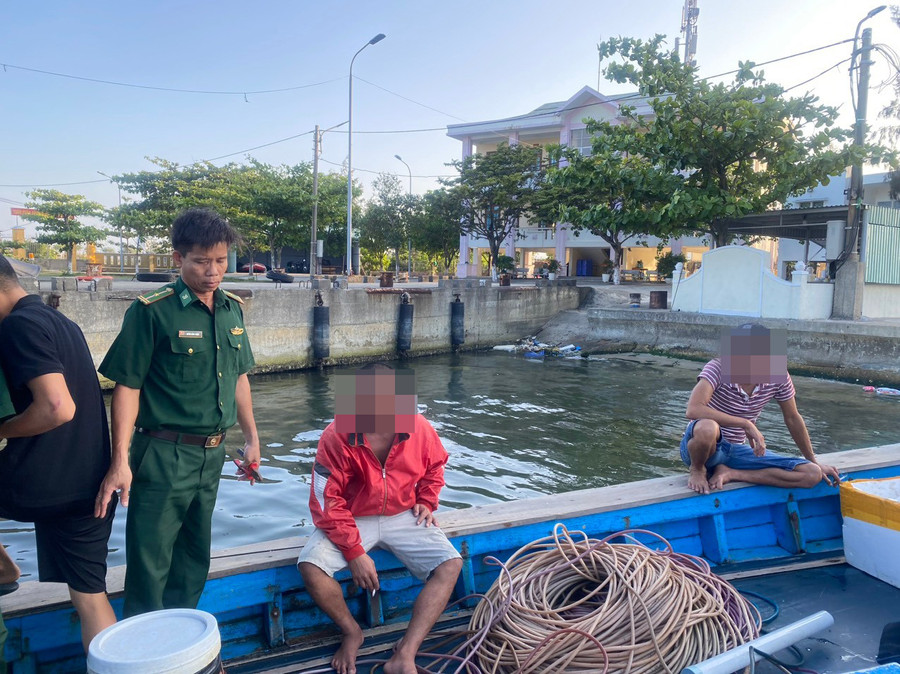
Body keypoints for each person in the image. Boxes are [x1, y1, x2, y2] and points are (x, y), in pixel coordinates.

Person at [96, 208, 260, 617]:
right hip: (163, 454)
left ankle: (181, 644)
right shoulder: (152, 311)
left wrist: (253, 439)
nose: (213, 271)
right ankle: (144, 652)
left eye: (221, 260)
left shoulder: (231, 309)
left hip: (213, 454)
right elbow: (127, 386)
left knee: (193, 559)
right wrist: (120, 460)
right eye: (201, 261)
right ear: (178, 259)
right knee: (150, 564)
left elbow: (240, 378)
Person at [298, 364, 462, 674]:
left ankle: (406, 653)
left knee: (451, 564)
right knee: (311, 567)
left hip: (403, 512)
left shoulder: (419, 427)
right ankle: (352, 632)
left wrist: (427, 499)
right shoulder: (336, 434)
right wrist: (355, 552)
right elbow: (326, 501)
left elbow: (436, 466)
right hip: (352, 517)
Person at [0, 255, 117, 651]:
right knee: (89, 597)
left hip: (43, 487)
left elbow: (57, 407)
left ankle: (3, 567)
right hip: (92, 487)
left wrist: (2, 429)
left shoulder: (18, 326)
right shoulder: (62, 323)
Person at [681, 323, 840, 494]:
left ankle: (731, 473)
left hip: (736, 451)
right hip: (702, 448)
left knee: (811, 474)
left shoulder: (777, 375)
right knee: (707, 428)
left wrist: (812, 460)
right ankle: (697, 470)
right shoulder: (717, 368)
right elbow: (693, 409)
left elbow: (792, 418)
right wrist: (746, 424)